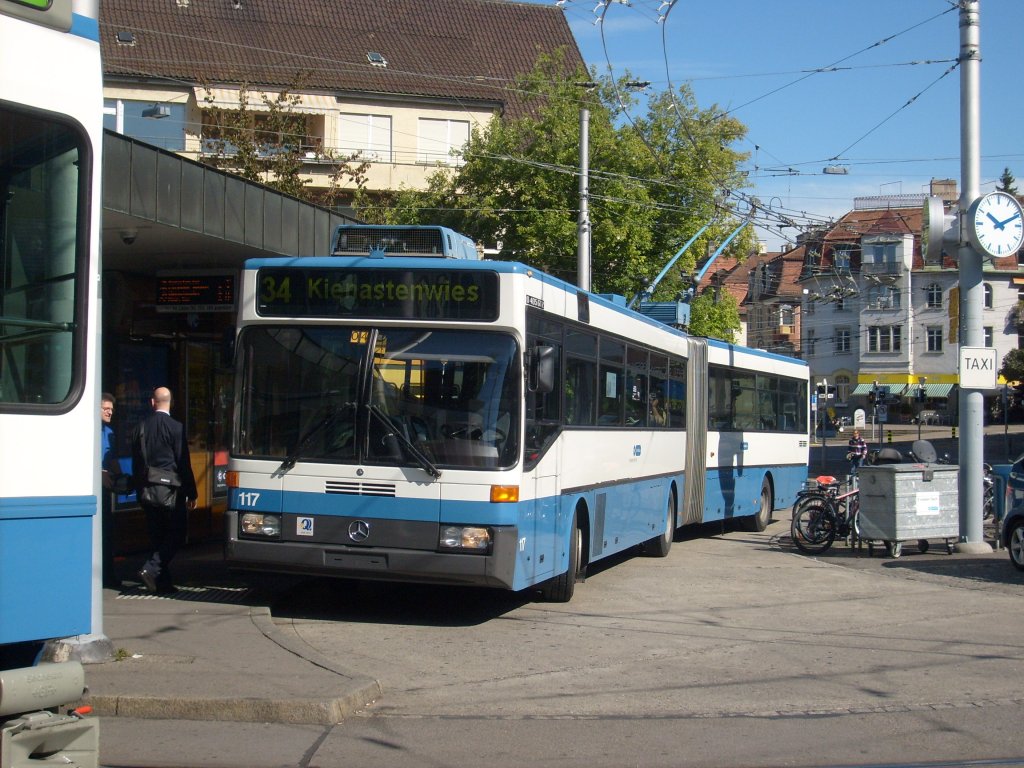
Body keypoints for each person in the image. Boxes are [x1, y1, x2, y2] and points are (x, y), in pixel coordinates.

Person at [131, 386, 197, 594]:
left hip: (147, 489)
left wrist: (137, 486)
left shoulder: (140, 427)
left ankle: (162, 583)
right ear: (171, 403)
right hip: (171, 491)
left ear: (152, 402)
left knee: (157, 536)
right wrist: (191, 492)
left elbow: (136, 461)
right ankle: (151, 569)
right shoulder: (176, 427)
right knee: (177, 534)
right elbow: (183, 461)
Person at [100, 393, 124, 588]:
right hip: (95, 486)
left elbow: (113, 459)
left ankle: (108, 575)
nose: (110, 412)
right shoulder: (87, 430)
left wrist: (122, 479)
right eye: (105, 408)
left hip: (107, 487)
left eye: (111, 409)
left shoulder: (110, 432)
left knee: (108, 533)